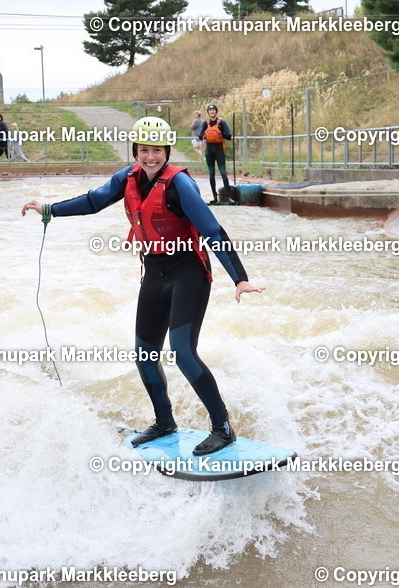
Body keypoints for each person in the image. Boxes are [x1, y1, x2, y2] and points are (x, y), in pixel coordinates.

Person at [20, 117, 264, 454]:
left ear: (167, 152)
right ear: (135, 151)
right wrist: (51, 209)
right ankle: (164, 422)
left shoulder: (180, 184)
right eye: (144, 150)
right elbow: (93, 201)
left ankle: (222, 428)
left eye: (157, 150)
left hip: (188, 273)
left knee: (182, 353)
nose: (151, 157)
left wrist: (240, 278)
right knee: (144, 354)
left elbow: (212, 230)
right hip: (154, 272)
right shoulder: (128, 177)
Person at [198, 103, 235, 205]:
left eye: (213, 110)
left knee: (223, 173)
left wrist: (220, 132)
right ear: (208, 112)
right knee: (211, 174)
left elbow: (229, 136)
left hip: (219, 150)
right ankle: (215, 198)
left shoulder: (222, 122)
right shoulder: (205, 123)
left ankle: (228, 197)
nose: (212, 112)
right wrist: (205, 134)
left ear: (216, 111)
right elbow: (200, 136)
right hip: (209, 150)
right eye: (210, 110)